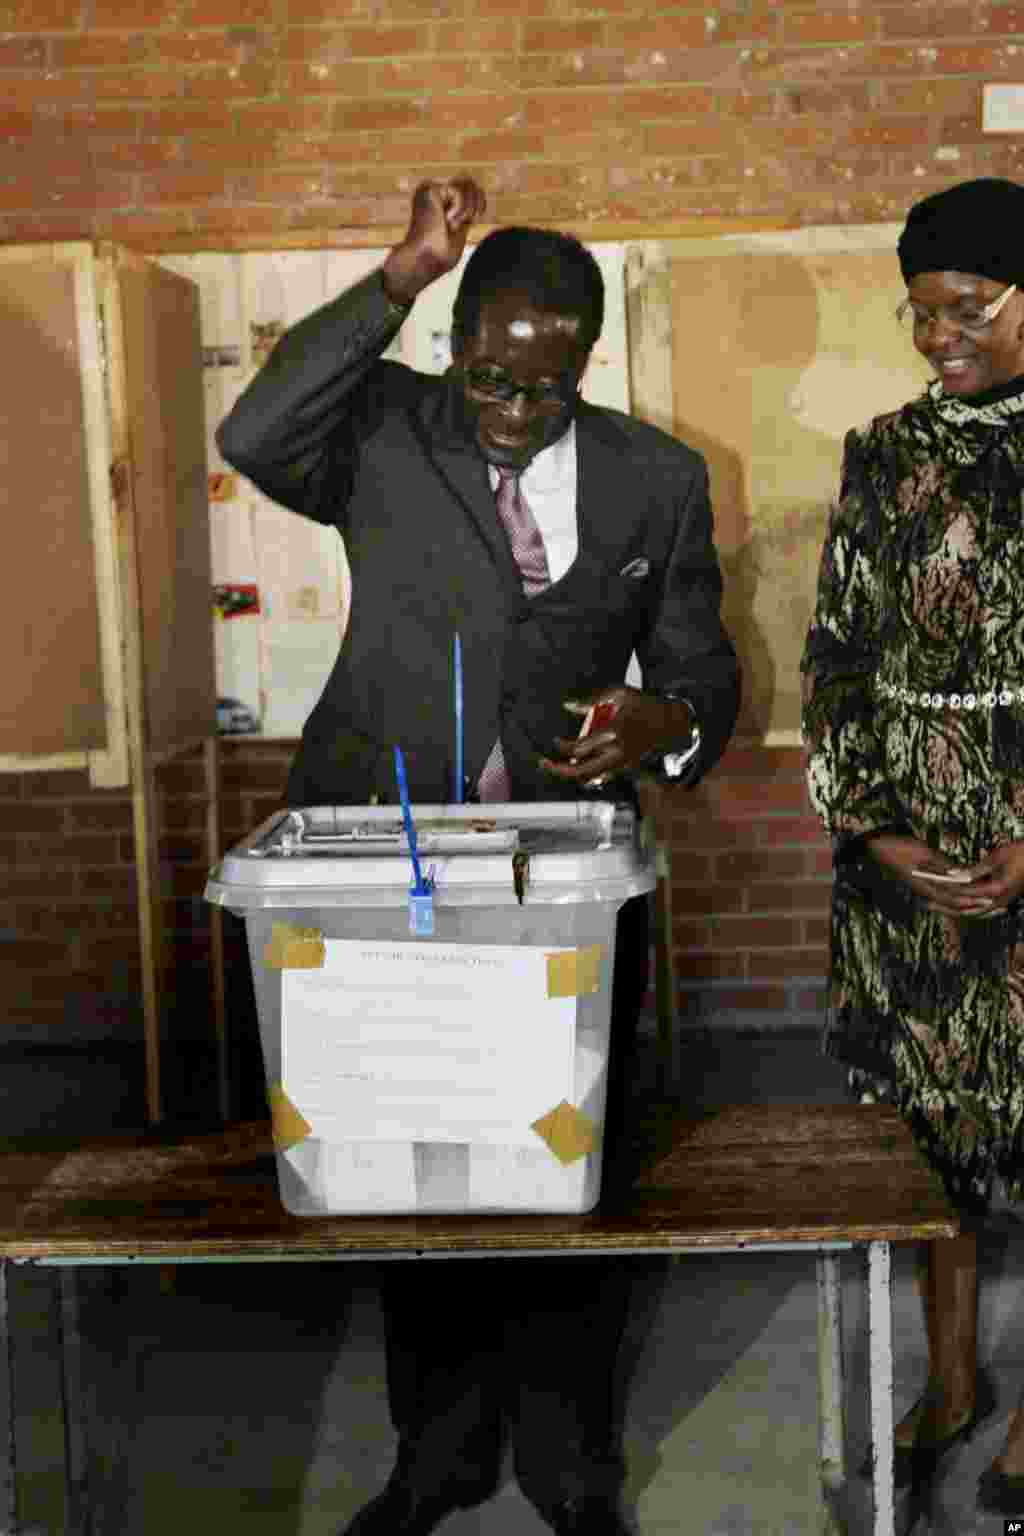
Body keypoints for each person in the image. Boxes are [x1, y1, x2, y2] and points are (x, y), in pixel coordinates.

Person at [217, 176, 739, 1535]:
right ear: (454, 345)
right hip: (382, 859)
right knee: (415, 1157)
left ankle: (572, 1468)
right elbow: (255, 425)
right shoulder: (384, 430)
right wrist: (396, 276)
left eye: (545, 387)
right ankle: (438, 1456)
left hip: (566, 879)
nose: (512, 412)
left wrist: (661, 721)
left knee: (573, 1164)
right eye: (490, 377)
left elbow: (699, 665)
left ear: (586, 359)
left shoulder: (658, 477)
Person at [801, 176, 1024, 1514]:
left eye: (969, 308)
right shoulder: (884, 451)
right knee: (925, 1143)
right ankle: (951, 1382)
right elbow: (836, 649)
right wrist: (872, 822)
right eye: (921, 311)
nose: (941, 334)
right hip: (907, 863)